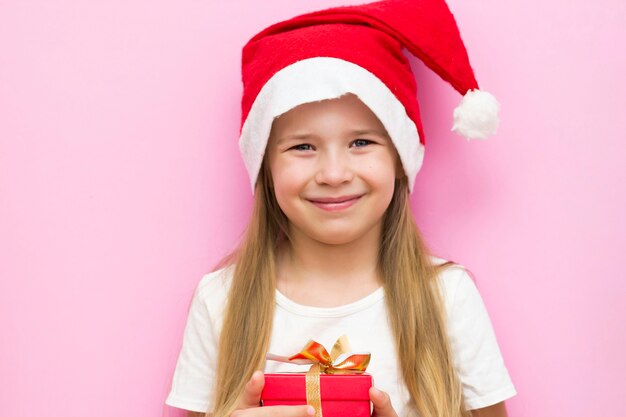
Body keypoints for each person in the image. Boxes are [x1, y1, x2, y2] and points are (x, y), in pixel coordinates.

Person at [165, 1, 516, 417]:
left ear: (400, 160)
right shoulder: (220, 300)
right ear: (266, 167)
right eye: (303, 146)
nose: (333, 173)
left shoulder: (447, 297)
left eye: (361, 142)